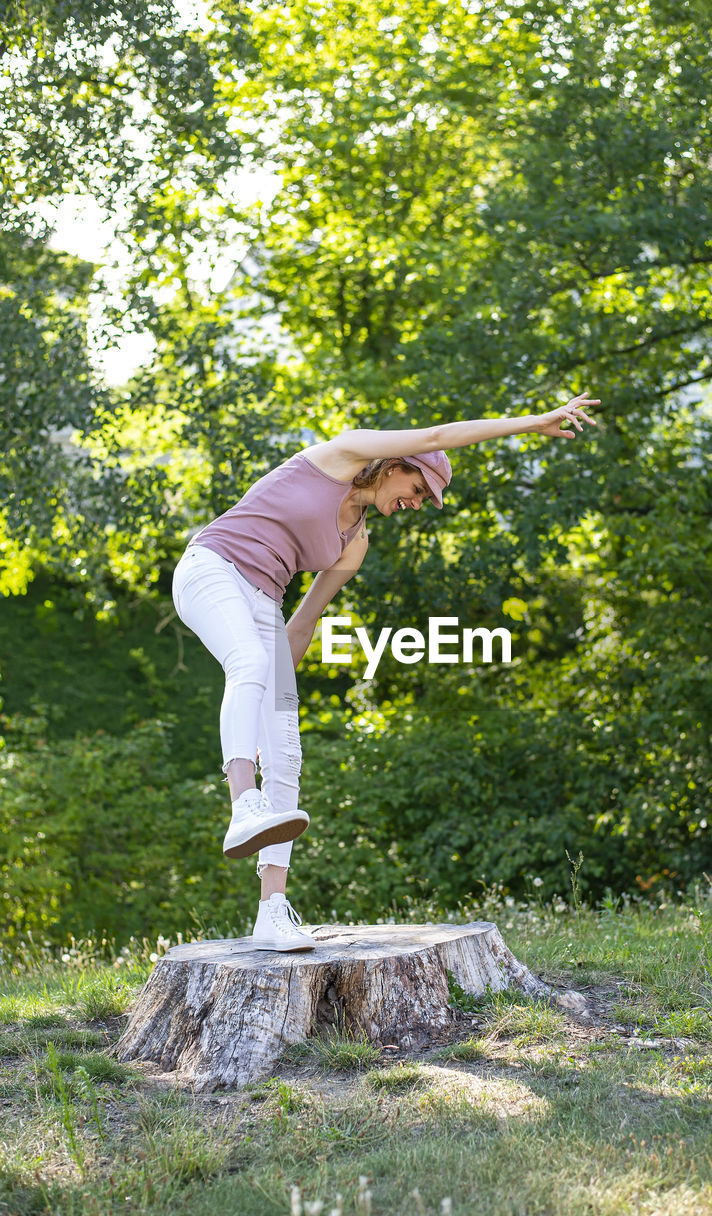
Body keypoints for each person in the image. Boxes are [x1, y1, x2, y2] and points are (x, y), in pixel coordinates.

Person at [171, 392, 599, 951]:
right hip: (213, 568)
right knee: (246, 662)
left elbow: (300, 626)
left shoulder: (355, 542)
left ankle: (272, 910)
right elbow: (436, 436)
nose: (418, 502)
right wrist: (531, 423)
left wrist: (274, 702)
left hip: (265, 605)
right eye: (418, 489)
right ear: (396, 466)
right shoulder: (338, 456)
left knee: (287, 745)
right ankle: (242, 804)